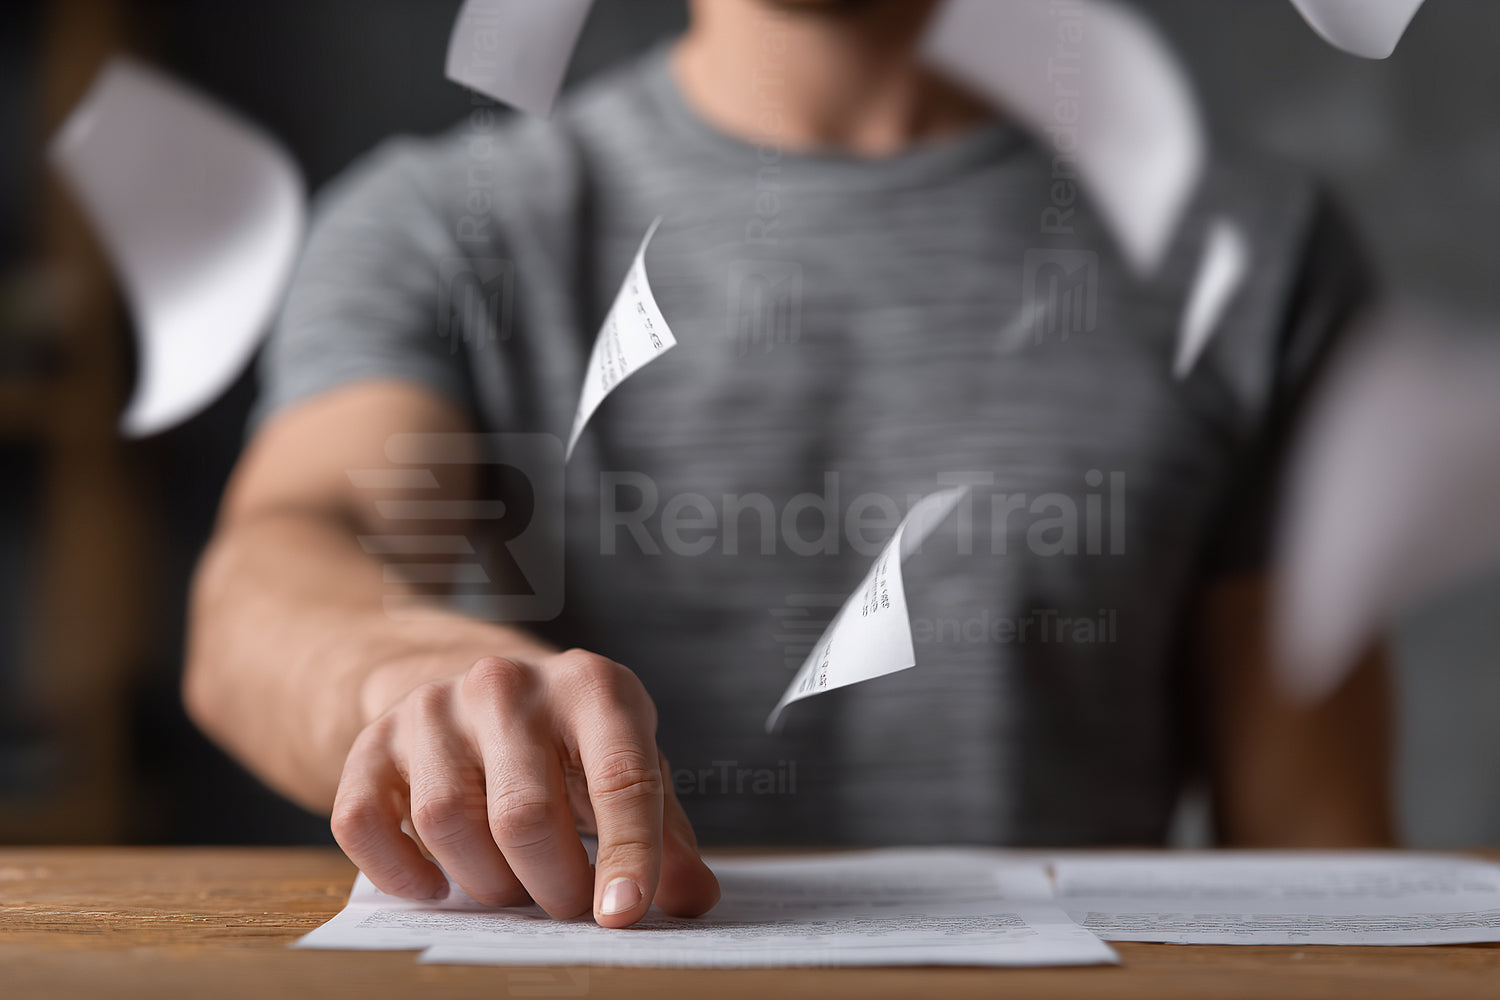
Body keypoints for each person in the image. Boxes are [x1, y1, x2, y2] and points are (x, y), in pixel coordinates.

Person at [184, 0, 1395, 929]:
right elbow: (274, 576)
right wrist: (409, 674)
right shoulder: (449, 227)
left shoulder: (1251, 256)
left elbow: (1313, 842)